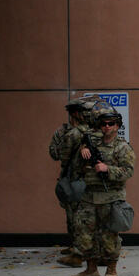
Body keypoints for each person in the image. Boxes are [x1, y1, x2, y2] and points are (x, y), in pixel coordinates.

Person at [69, 103, 135, 276]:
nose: (107, 127)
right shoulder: (91, 144)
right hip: (89, 195)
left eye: (111, 123)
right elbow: (76, 168)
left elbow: (128, 171)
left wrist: (108, 169)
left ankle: (111, 269)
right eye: (104, 124)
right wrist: (82, 152)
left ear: (117, 126)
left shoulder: (123, 147)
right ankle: (91, 269)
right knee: (84, 234)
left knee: (109, 236)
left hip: (110, 197)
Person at [55, 96, 101, 267]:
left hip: (77, 181)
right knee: (95, 219)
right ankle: (98, 253)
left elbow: (63, 157)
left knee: (77, 218)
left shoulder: (74, 133)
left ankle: (78, 253)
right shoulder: (99, 132)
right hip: (94, 181)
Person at [49, 98, 85, 259]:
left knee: (88, 217)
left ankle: (86, 249)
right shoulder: (62, 132)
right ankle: (75, 247)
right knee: (71, 216)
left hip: (88, 179)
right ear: (75, 113)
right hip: (70, 179)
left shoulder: (90, 131)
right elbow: (54, 153)